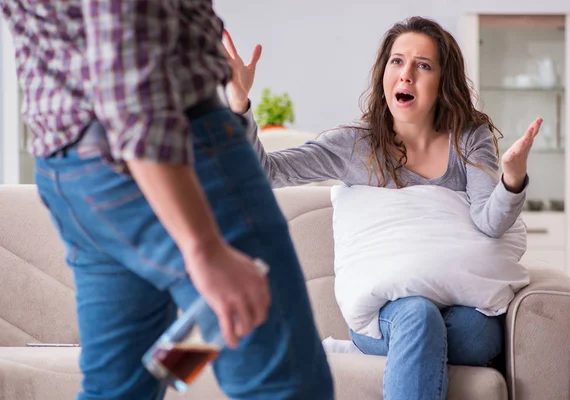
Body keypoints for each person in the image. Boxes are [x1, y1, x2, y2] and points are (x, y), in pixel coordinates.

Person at [0, 1, 334, 399]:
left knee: (121, 389)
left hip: (73, 172)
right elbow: (125, 58)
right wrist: (203, 247)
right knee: (285, 383)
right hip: (175, 152)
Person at [224, 16, 542, 400]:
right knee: (417, 316)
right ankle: (396, 345)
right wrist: (240, 104)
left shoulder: (467, 139)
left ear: (443, 82)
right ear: (383, 74)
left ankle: (387, 352)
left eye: (423, 65)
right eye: (397, 61)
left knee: (473, 333)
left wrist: (511, 180)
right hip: (387, 314)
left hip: (462, 311)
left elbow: (490, 222)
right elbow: (266, 172)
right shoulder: (353, 147)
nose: (406, 74)